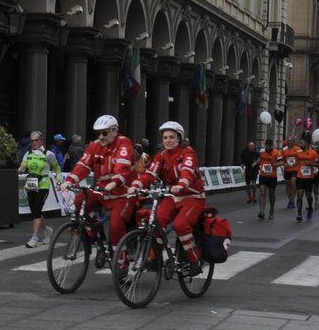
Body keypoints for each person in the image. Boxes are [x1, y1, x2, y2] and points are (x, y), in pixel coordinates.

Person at [131, 121, 204, 268]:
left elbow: (188, 170)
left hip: (192, 196)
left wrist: (182, 184)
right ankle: (155, 257)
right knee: (156, 221)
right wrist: (135, 186)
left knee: (181, 225)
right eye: (165, 138)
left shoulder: (188, 152)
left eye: (171, 137)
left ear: (178, 139)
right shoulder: (161, 156)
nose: (168, 141)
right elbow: (150, 174)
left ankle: (194, 259)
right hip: (171, 196)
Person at [58, 115, 138, 245]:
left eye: (104, 133)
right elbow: (83, 165)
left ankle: (122, 262)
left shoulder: (124, 143)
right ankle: (94, 229)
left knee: (116, 226)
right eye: (98, 133)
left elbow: (122, 166)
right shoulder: (94, 145)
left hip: (122, 193)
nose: (100, 137)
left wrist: (115, 181)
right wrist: (69, 181)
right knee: (79, 201)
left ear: (114, 131)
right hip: (102, 190)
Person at [18, 131, 61, 248]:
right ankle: (46, 230)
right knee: (35, 212)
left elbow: (57, 169)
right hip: (32, 183)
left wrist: (58, 181)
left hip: (44, 184)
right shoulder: (28, 154)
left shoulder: (48, 154)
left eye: (36, 140)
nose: (34, 143)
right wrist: (20, 169)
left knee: (37, 210)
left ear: (41, 141)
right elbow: (23, 165)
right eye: (32, 141)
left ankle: (35, 237)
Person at [295, 133, 319, 222]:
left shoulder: (313, 153)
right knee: (299, 195)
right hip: (300, 176)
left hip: (309, 177)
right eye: (300, 143)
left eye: (301, 143)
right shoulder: (298, 153)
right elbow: (296, 162)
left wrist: (311, 164)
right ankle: (299, 214)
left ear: (306, 143)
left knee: (308, 195)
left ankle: (310, 208)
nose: (300, 145)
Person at [256, 139, 279, 220]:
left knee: (271, 194)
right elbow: (260, 159)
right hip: (263, 174)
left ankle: (272, 209)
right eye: (267, 146)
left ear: (272, 145)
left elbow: (282, 162)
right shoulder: (262, 151)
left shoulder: (276, 152)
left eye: (270, 146)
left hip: (272, 176)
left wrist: (274, 164)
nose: (268, 147)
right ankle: (261, 211)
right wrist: (256, 163)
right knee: (262, 192)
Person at [280, 133, 302, 209]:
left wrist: (296, 162)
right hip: (287, 169)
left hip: (295, 169)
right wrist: (284, 163)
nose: (289, 142)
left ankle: (292, 200)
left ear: (293, 142)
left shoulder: (298, 149)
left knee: (293, 183)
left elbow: (300, 159)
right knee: (288, 185)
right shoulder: (284, 149)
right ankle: (290, 200)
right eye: (288, 141)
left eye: (291, 141)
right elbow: (281, 159)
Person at [239, 140, 260, 205]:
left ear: (254, 146)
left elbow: (260, 160)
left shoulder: (257, 153)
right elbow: (241, 160)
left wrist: (256, 163)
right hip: (247, 169)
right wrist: (241, 164)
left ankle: (254, 196)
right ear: (248, 147)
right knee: (247, 185)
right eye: (250, 146)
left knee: (253, 184)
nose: (251, 147)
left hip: (254, 170)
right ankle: (249, 197)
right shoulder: (244, 153)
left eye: (252, 146)